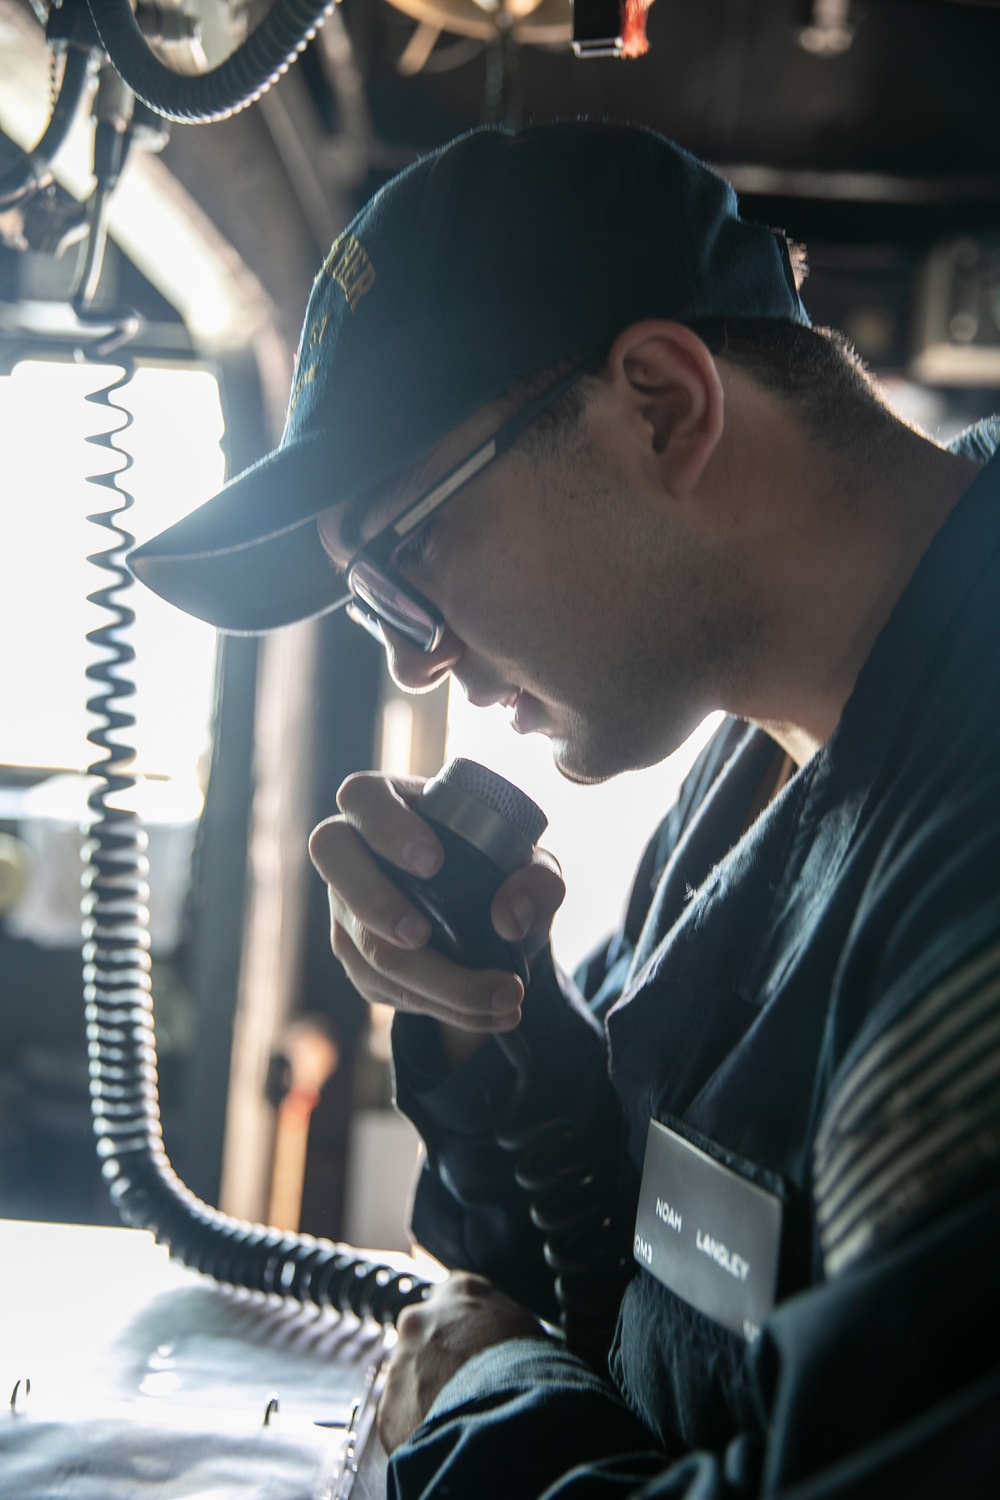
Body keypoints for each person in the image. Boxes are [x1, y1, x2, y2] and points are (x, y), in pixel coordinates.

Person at [129, 122, 1000, 1496]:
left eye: (403, 563)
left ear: (662, 407)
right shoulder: (766, 756)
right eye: (373, 610)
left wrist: (483, 1393)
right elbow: (666, 1288)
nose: (415, 655)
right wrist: (501, 1034)